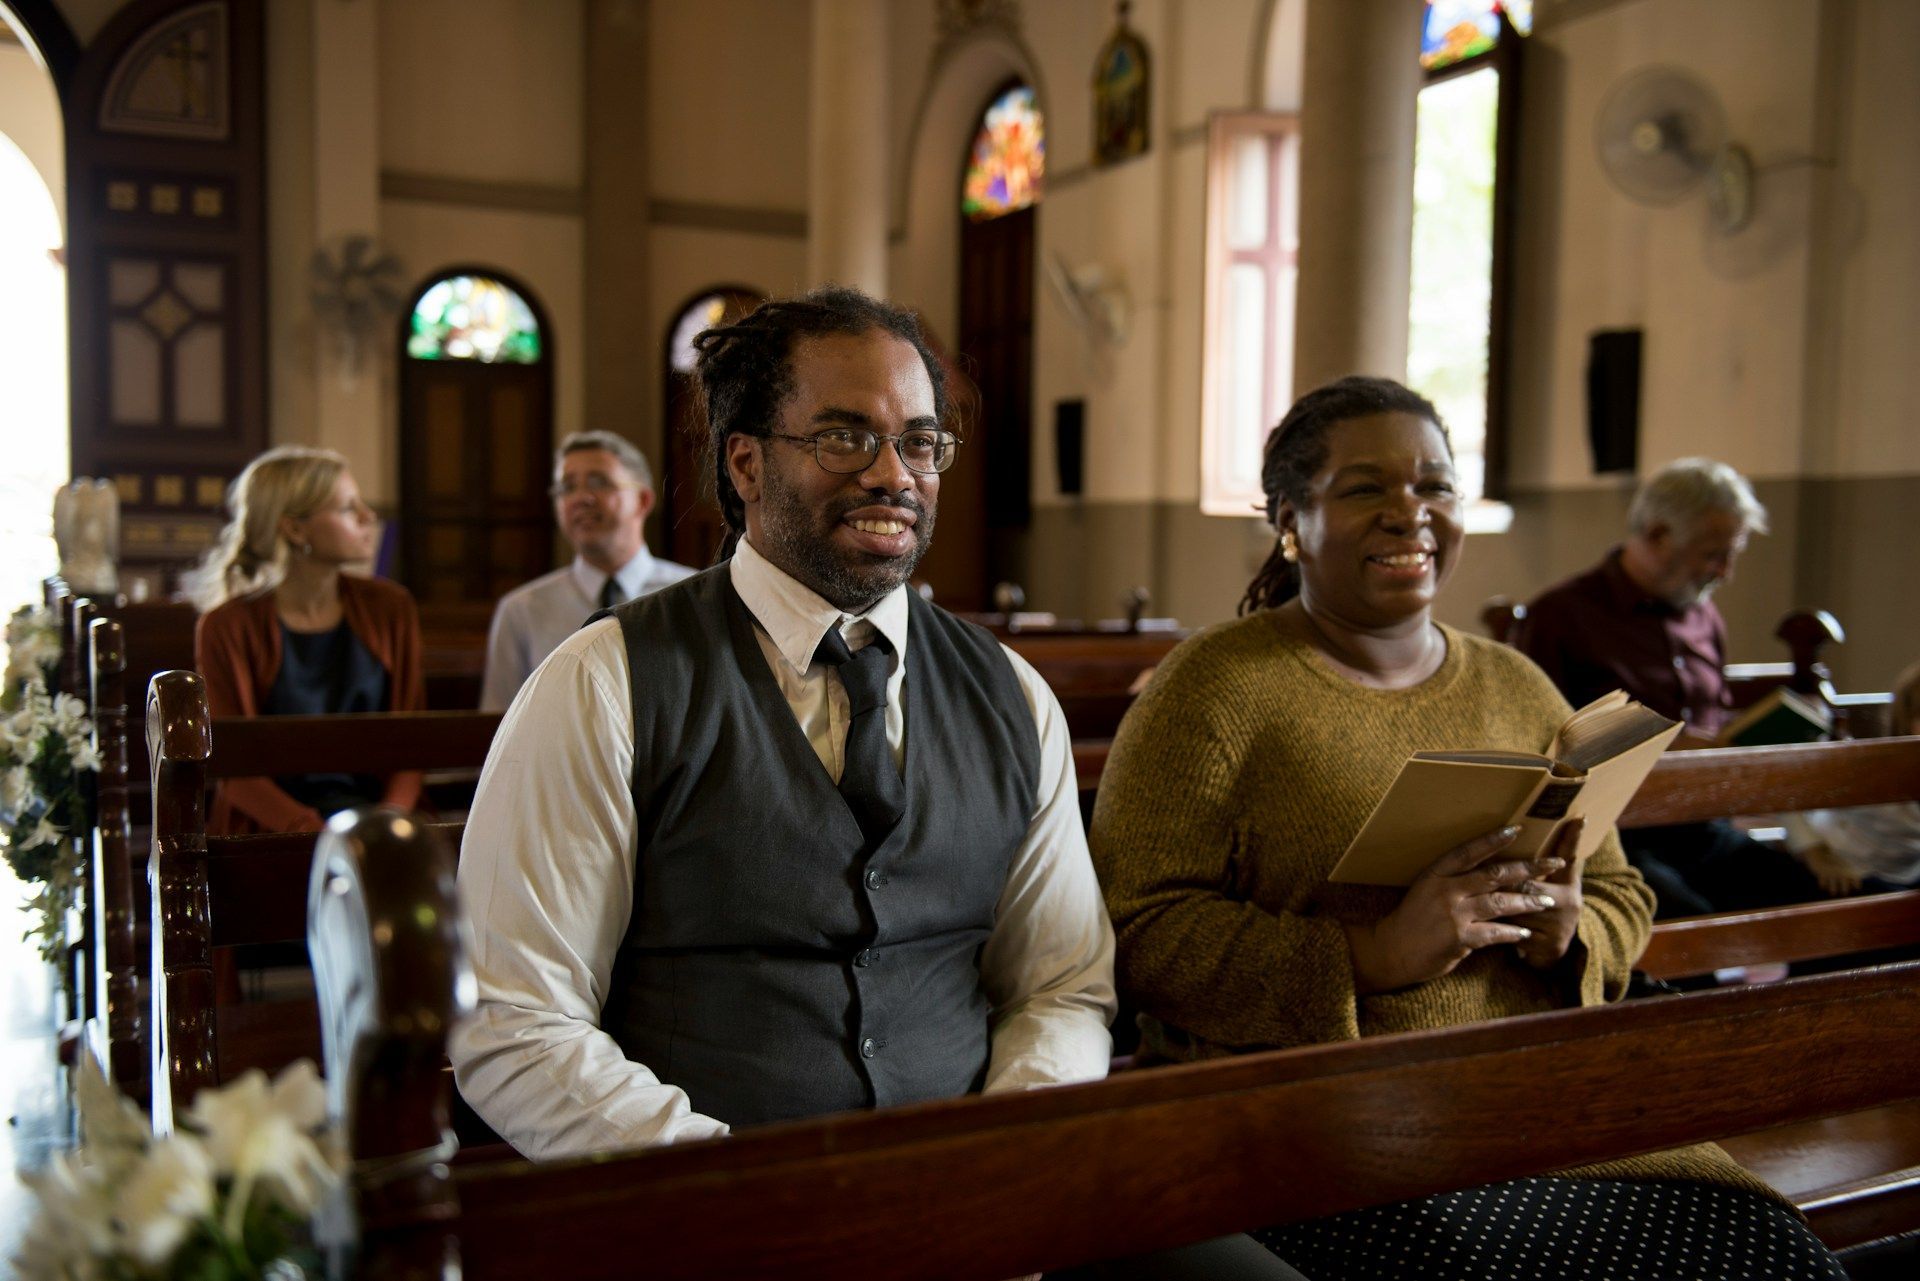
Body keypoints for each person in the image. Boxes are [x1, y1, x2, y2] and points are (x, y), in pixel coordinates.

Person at [1091, 377, 1845, 1280]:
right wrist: (1372, 954)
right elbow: (1139, 930)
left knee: (1774, 1258)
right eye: (1367, 487)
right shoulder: (1212, 689)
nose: (1410, 512)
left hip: (1540, 1097)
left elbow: (1619, 890)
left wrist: (1567, 932)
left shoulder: (1516, 683)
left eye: (1435, 486)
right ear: (1292, 520)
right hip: (1320, 1111)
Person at [451, 287, 1116, 1161]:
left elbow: (1062, 985)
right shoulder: (603, 684)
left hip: (969, 1208)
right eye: (844, 437)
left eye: (920, 441)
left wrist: (1004, 1161)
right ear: (746, 464)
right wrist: (743, 1199)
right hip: (706, 1217)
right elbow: (512, 1017)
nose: (893, 473)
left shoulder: (1014, 698)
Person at [1514, 458, 1823, 915]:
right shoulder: (1561, 616)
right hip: (1614, 840)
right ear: (1658, 535)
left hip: (1703, 830)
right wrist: (1660, 746)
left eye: (1733, 553)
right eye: (1713, 554)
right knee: (1693, 930)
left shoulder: (1704, 616)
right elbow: (1536, 746)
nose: (1725, 571)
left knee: (1820, 903)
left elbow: (1714, 722)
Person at [189, 446, 424, 835]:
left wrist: (385, 824)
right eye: (349, 508)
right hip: (271, 831)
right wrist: (306, 829)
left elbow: (412, 743)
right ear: (295, 529)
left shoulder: (390, 608)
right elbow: (233, 768)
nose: (369, 516)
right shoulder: (226, 627)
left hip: (381, 822)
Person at [479, 431, 695, 710]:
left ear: (642, 500)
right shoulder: (522, 611)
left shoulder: (693, 597)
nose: (581, 498)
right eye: (567, 487)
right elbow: (498, 727)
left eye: (598, 482)